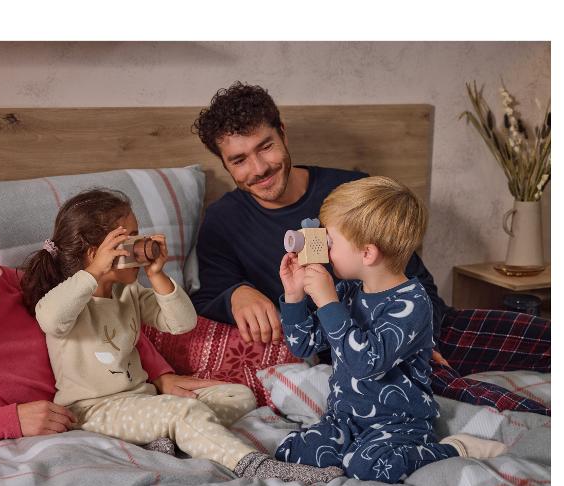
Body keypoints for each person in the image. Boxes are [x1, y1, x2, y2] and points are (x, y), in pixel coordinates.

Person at [191, 81, 550, 416]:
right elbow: (206, 299)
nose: (259, 168)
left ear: (282, 132)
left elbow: (416, 278)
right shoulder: (222, 222)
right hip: (358, 357)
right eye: (238, 160)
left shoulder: (352, 191)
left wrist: (423, 337)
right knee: (457, 393)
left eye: (265, 146)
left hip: (420, 325)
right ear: (224, 164)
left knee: (540, 334)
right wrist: (235, 293)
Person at [19, 188, 343, 484]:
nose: (140, 246)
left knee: (237, 395)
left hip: (142, 402)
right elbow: (50, 318)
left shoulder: (128, 292)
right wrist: (93, 273)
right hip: (92, 411)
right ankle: (256, 466)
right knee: (181, 411)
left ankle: (165, 442)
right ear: (96, 253)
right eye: (129, 240)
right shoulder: (68, 301)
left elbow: (181, 323)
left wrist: (158, 275)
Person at [0, 209, 230, 450]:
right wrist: (7, 421)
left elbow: (101, 318)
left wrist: (160, 375)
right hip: (87, 415)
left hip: (123, 385)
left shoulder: (11, 285)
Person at [274, 177, 506, 482]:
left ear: (367, 253)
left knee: (367, 467)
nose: (324, 250)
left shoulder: (411, 304)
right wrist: (294, 297)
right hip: (345, 418)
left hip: (397, 423)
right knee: (291, 452)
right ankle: (350, 452)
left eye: (330, 242)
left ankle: (453, 449)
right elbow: (302, 345)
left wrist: (328, 303)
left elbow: (365, 363)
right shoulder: (347, 291)